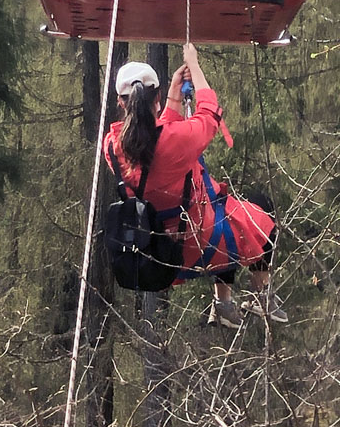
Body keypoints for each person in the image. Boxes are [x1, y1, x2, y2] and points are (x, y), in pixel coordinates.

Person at [103, 43, 287, 327]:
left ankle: (224, 306)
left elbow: (155, 139)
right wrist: (195, 66)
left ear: (121, 102)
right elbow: (209, 115)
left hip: (156, 249)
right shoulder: (176, 140)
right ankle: (260, 295)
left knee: (223, 204)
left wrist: (174, 99)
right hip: (198, 240)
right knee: (257, 212)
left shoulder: (112, 146)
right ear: (156, 97)